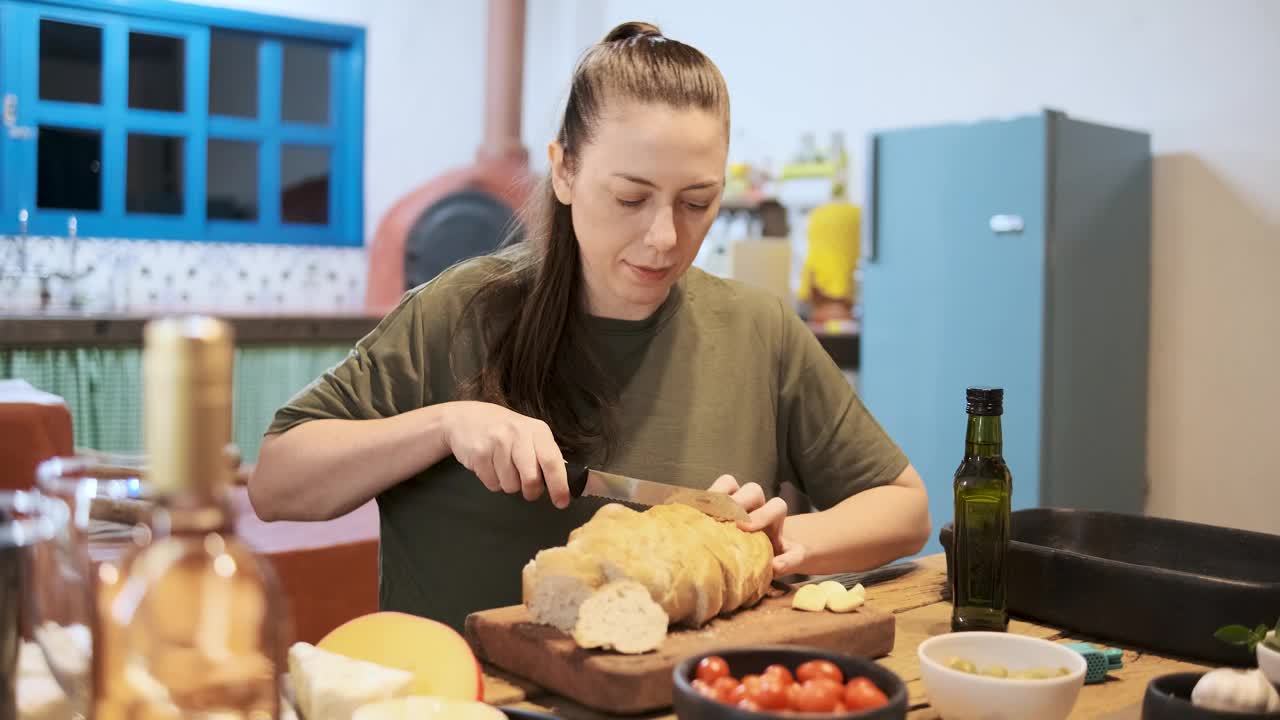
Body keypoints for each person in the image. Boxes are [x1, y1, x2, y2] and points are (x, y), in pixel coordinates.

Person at [250, 21, 930, 633]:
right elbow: (277, 484)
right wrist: (444, 424)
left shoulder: (759, 330)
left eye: (699, 202)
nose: (665, 238)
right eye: (630, 197)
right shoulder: (457, 311)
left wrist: (777, 540)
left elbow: (905, 509)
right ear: (565, 170)